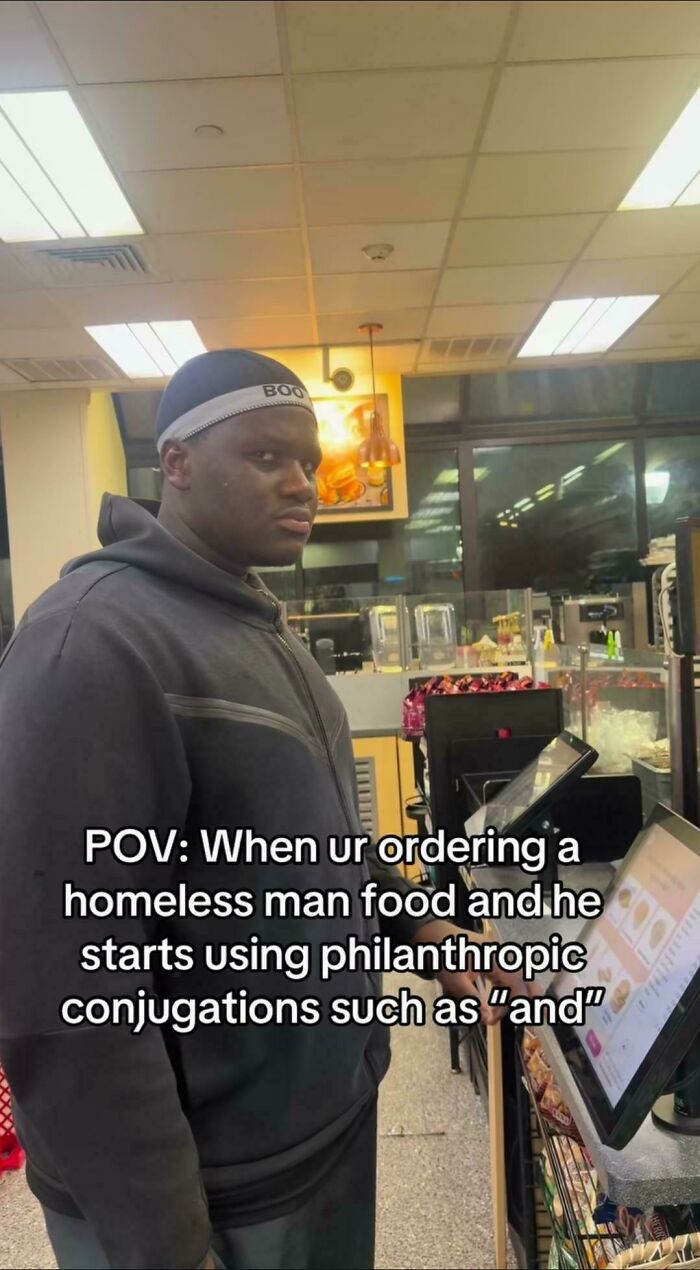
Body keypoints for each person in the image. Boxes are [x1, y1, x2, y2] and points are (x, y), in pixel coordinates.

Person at [0, 350, 522, 1270]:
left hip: (317, 1143)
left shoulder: (255, 626)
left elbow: (317, 854)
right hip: (205, 1195)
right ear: (176, 463)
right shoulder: (91, 644)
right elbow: (62, 995)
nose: (302, 483)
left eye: (310, 462)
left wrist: (432, 939)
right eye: (267, 456)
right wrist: (167, 1250)